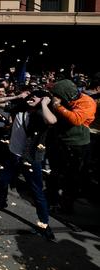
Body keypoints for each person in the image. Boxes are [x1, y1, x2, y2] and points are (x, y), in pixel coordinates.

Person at [0, 89, 57, 240]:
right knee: (2, 179)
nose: (32, 98)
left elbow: (52, 121)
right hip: (13, 154)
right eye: (32, 95)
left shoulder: (40, 114)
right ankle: (1, 202)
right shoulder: (19, 107)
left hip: (30, 159)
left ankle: (44, 225)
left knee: (37, 192)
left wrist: (45, 103)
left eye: (37, 97)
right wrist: (17, 96)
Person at [48, 79, 96, 213]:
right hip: (61, 141)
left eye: (57, 95)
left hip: (77, 144)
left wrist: (58, 107)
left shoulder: (87, 102)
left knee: (72, 176)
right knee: (57, 171)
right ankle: (53, 198)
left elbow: (76, 119)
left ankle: (67, 204)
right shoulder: (63, 100)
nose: (55, 98)